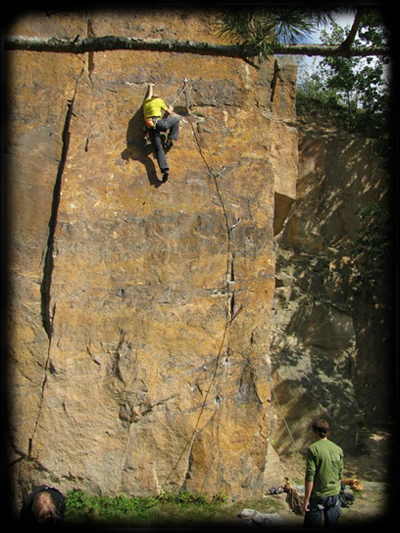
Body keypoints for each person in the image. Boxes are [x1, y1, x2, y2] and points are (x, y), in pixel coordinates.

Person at [303, 419, 344, 528]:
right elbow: (340, 474)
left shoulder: (313, 449)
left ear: (315, 432)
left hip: (319, 496)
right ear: (327, 432)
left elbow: (310, 476)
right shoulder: (338, 449)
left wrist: (306, 499)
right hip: (334, 495)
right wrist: (337, 490)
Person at [143, 82, 180, 183]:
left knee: (159, 149)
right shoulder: (159, 101)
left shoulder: (146, 102)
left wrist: (150, 86)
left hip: (150, 127)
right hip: (159, 123)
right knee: (176, 120)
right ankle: (171, 139)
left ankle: (165, 170)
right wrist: (171, 109)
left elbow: (149, 95)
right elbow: (168, 112)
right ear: (157, 97)